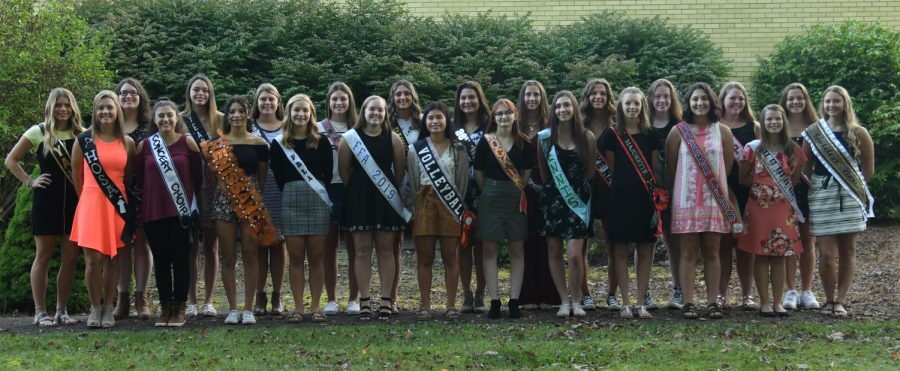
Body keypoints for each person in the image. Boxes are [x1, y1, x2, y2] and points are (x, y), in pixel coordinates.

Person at [5, 88, 85, 327]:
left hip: (75, 202)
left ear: (73, 108)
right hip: (46, 202)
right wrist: (30, 181)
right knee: (44, 256)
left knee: (70, 259)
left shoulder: (80, 133)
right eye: (58, 104)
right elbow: (11, 159)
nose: (63, 109)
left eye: (67, 105)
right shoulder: (38, 132)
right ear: (51, 106)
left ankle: (61, 310)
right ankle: (40, 311)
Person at [665, 82, 736, 320]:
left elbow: (727, 165)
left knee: (713, 251)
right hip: (686, 201)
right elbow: (673, 167)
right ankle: (688, 302)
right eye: (695, 99)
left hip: (714, 201)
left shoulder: (723, 131)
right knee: (687, 252)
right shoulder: (678, 131)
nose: (699, 103)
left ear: (712, 102)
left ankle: (712, 301)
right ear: (688, 103)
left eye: (704, 99)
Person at [803, 86, 875, 317]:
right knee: (824, 253)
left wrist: (851, 188)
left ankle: (841, 300)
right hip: (822, 197)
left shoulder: (859, 132)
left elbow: (868, 170)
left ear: (845, 104)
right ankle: (829, 299)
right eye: (827, 102)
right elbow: (806, 169)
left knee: (847, 250)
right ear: (822, 105)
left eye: (836, 101)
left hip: (850, 197)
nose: (831, 106)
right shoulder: (813, 133)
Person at [70, 90, 137, 328]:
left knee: (113, 260)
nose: (105, 112)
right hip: (90, 203)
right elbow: (76, 173)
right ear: (94, 112)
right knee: (92, 261)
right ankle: (94, 307)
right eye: (101, 108)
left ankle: (109, 307)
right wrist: (86, 199)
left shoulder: (127, 142)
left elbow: (128, 178)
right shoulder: (83, 140)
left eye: (110, 107)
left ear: (117, 110)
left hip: (116, 206)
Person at [338, 96, 408, 320]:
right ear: (363, 111)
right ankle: (365, 300)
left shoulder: (394, 139)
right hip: (358, 198)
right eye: (371, 109)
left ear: (385, 113)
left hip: (385, 199)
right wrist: (360, 189)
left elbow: (398, 172)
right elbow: (344, 172)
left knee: (387, 251)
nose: (376, 113)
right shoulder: (350, 139)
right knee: (361, 251)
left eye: (380, 110)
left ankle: (387, 299)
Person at [134, 99, 202, 326]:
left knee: (181, 260)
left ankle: (180, 307)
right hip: (153, 212)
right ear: (154, 119)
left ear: (176, 118)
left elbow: (198, 178)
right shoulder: (145, 146)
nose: (165, 119)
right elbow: (138, 178)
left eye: (169, 115)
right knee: (161, 261)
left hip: (181, 213)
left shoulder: (189, 143)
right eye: (160, 115)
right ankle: (165, 307)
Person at [737, 104, 806, 317]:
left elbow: (794, 180)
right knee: (761, 255)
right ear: (763, 123)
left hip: (783, 211)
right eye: (769, 120)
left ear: (783, 122)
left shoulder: (793, 150)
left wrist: (776, 192)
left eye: (777, 119)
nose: (773, 123)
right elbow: (743, 178)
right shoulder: (753, 148)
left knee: (780, 256)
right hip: (758, 209)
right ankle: (764, 302)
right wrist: (763, 190)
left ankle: (778, 302)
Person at [598, 87, 662, 319]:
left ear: (642, 106)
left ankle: (640, 302)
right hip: (620, 198)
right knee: (621, 250)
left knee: (645, 250)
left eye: (636, 103)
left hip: (645, 199)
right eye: (628, 104)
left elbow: (653, 169)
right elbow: (611, 169)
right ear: (621, 107)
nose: (632, 107)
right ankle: (625, 302)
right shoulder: (611, 134)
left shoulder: (651, 134)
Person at [270, 94, 333, 322]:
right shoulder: (279, 144)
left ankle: (316, 306)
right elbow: (277, 175)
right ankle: (298, 308)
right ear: (289, 112)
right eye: (296, 110)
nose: (300, 114)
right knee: (295, 257)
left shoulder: (321, 141)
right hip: (291, 200)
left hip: (317, 201)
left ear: (311, 114)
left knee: (316, 257)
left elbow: (326, 172)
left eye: (305, 111)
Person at [209, 96, 271, 325]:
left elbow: (261, 178)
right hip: (224, 201)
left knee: (250, 254)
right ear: (227, 115)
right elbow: (215, 177)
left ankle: (248, 309)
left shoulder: (259, 144)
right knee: (227, 256)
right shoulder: (217, 143)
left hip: (250, 201)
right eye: (232, 111)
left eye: (241, 111)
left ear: (248, 114)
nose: (236, 115)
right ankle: (232, 308)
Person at [538, 91, 597, 318]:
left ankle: (577, 300)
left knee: (574, 254)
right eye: (559, 106)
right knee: (553, 251)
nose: (563, 110)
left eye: (567, 106)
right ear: (554, 110)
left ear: (574, 108)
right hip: (552, 200)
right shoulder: (545, 138)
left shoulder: (587, 137)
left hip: (578, 202)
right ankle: (563, 301)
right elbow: (544, 172)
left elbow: (590, 170)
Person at [407, 102, 468, 320]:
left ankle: (451, 306)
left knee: (451, 257)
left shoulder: (458, 148)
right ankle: (425, 305)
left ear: (447, 121)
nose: (435, 121)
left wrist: (455, 204)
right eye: (430, 118)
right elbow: (413, 182)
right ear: (425, 122)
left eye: (439, 117)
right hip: (424, 203)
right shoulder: (416, 149)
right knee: (425, 257)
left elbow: (462, 183)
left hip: (450, 206)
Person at [475, 99, 533, 319]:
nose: (503, 117)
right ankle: (495, 301)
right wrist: (489, 191)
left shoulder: (524, 143)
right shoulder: (486, 142)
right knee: (489, 249)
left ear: (515, 115)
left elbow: (527, 172)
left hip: (516, 197)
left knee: (516, 249)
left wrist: (518, 190)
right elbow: (478, 173)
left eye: (507, 113)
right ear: (493, 118)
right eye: (498, 114)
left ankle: (515, 300)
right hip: (491, 194)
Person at [180, 73, 225, 317]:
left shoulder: (221, 120)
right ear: (189, 93)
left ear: (210, 94)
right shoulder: (180, 120)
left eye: (204, 90)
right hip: (187, 186)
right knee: (189, 246)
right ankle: (191, 299)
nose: (200, 94)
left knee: (211, 245)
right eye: (196, 90)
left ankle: (208, 300)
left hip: (216, 186)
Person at [515, 80, 560, 310]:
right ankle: (528, 294)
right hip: (524, 187)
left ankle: (550, 295)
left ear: (543, 98)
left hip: (550, 186)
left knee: (548, 241)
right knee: (526, 239)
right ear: (522, 98)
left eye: (536, 95)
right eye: (528, 95)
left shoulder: (550, 125)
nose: (532, 99)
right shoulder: (516, 124)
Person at [112, 78, 154, 320]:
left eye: (133, 93)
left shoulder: (150, 126)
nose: (128, 97)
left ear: (141, 97)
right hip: (115, 193)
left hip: (144, 191)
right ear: (116, 97)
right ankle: (123, 299)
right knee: (121, 247)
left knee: (142, 243)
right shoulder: (108, 126)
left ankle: (142, 298)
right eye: (124, 93)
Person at [317, 82, 360, 316]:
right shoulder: (318, 128)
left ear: (350, 101)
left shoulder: (358, 128)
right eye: (334, 99)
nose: (339, 103)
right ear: (329, 102)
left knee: (355, 248)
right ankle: (332, 298)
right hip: (326, 188)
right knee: (328, 247)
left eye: (343, 99)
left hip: (353, 190)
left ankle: (354, 298)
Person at [717, 81, 760, 309]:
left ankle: (747, 295)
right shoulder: (715, 126)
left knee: (746, 246)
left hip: (748, 193)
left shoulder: (754, 128)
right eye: (732, 97)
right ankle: (721, 294)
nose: (737, 102)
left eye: (741, 98)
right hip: (722, 192)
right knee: (723, 245)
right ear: (722, 100)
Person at [779, 83, 821, 310]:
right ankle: (790, 290)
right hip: (783, 190)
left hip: (808, 190)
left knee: (807, 241)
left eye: (800, 98)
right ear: (784, 102)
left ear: (806, 101)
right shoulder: (777, 127)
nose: (795, 102)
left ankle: (806, 290)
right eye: (791, 98)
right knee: (788, 241)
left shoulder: (816, 128)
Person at [250, 83, 287, 315]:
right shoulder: (249, 127)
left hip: (282, 188)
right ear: (257, 102)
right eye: (262, 99)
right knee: (260, 244)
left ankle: (277, 296)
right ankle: (260, 294)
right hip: (257, 188)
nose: (266, 103)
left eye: (271, 99)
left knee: (279, 243)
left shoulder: (288, 127)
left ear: (278, 102)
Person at [580, 78, 616, 311]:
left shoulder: (617, 123)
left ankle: (612, 294)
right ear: (587, 97)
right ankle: (585, 294)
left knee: (615, 244)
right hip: (586, 188)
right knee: (581, 243)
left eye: (602, 93)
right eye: (594, 93)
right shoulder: (579, 124)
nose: (598, 97)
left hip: (612, 188)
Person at [648, 78, 684, 309]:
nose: (662, 100)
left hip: (676, 187)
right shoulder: (642, 125)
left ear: (672, 101)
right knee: (646, 241)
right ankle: (644, 292)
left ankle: (678, 290)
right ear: (650, 99)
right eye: (658, 96)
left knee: (675, 241)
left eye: (666, 97)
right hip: (648, 189)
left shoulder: (681, 126)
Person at [453, 81, 489, 313]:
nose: (467, 102)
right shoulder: (452, 127)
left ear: (480, 100)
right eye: (463, 98)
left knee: (484, 245)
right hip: (459, 191)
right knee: (463, 244)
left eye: (471, 97)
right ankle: (466, 293)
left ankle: (481, 293)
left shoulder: (490, 126)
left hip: (485, 190)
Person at [387, 80, 422, 313]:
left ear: (413, 96)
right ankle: (391, 296)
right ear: (392, 98)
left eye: (406, 93)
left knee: (423, 242)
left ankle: (424, 299)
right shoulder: (385, 122)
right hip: (393, 185)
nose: (402, 98)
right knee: (394, 244)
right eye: (398, 94)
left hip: (420, 186)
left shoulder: (423, 121)